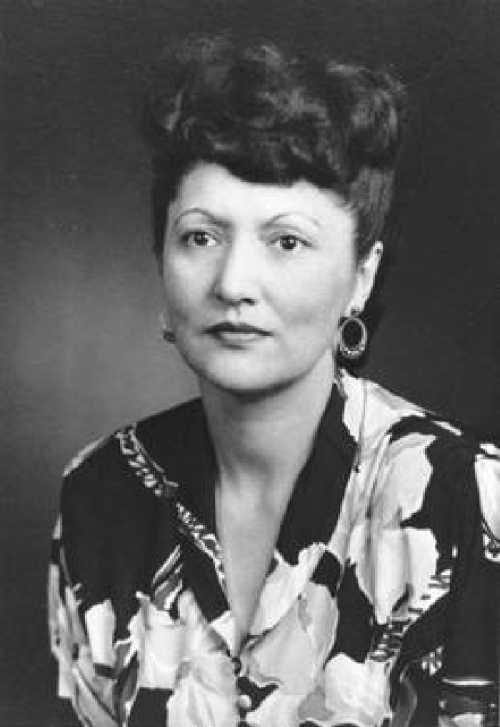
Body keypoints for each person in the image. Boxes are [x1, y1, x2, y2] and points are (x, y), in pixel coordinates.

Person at [48, 36, 500, 727]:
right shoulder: (99, 494)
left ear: (362, 276)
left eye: (286, 241)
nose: (234, 283)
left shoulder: (466, 498)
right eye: (201, 236)